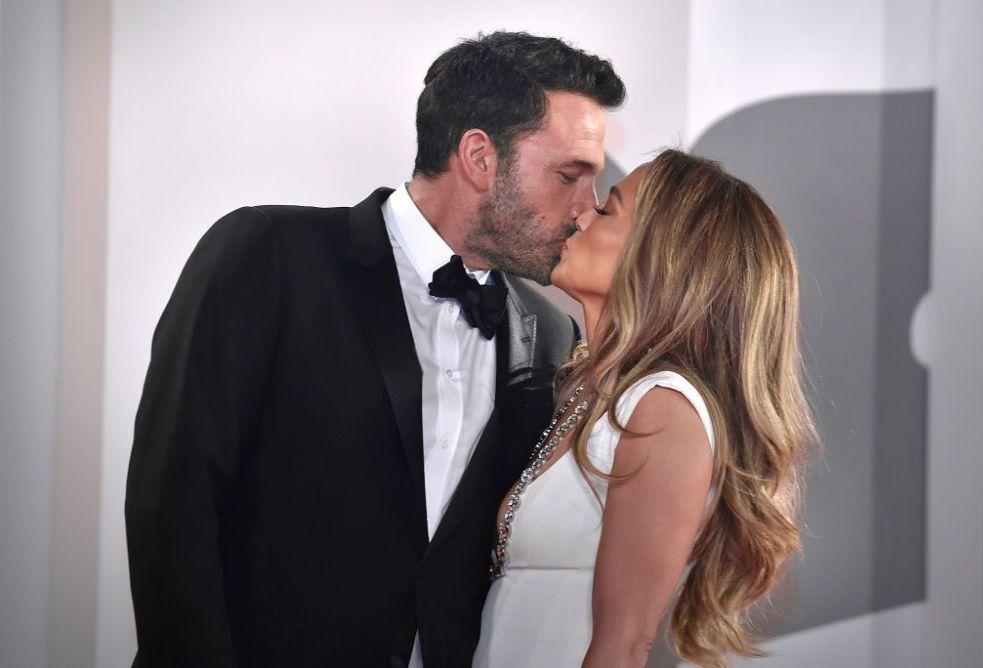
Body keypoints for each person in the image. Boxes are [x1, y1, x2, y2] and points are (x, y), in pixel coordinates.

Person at [124, 32, 625, 667]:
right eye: (569, 176)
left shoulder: (552, 335)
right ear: (479, 156)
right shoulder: (270, 255)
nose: (585, 209)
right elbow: (173, 498)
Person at [473, 149, 817, 668]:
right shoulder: (585, 390)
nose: (580, 216)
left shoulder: (661, 410)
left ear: (661, 258)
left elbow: (624, 642)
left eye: (607, 210)